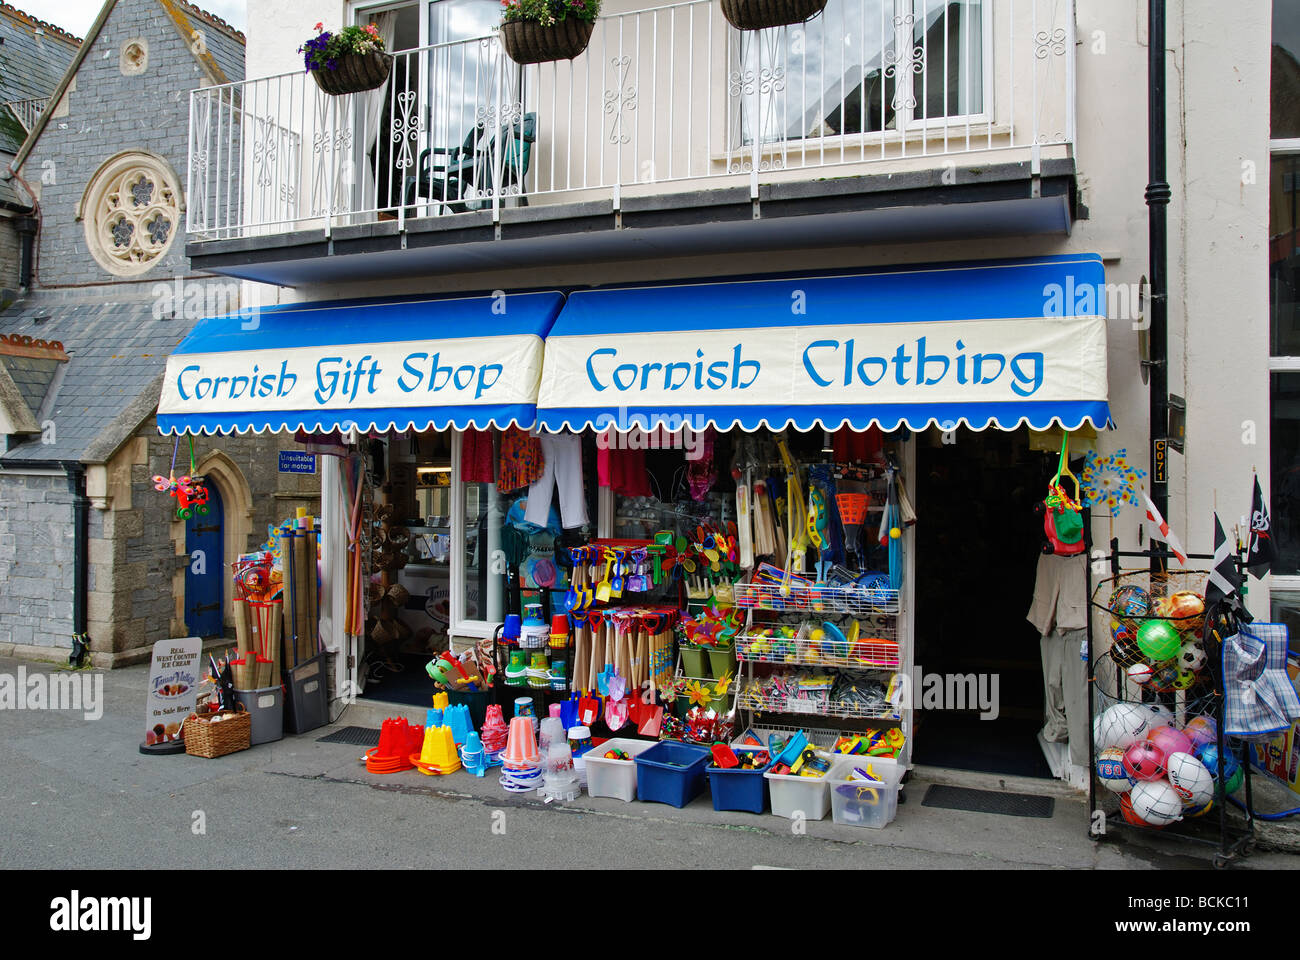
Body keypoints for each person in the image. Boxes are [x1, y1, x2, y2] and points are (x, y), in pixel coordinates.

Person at [1027, 550, 1089, 784]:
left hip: (1078, 559)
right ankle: (1059, 730)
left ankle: (1078, 751)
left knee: (1075, 669)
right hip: (1058, 556)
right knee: (1059, 668)